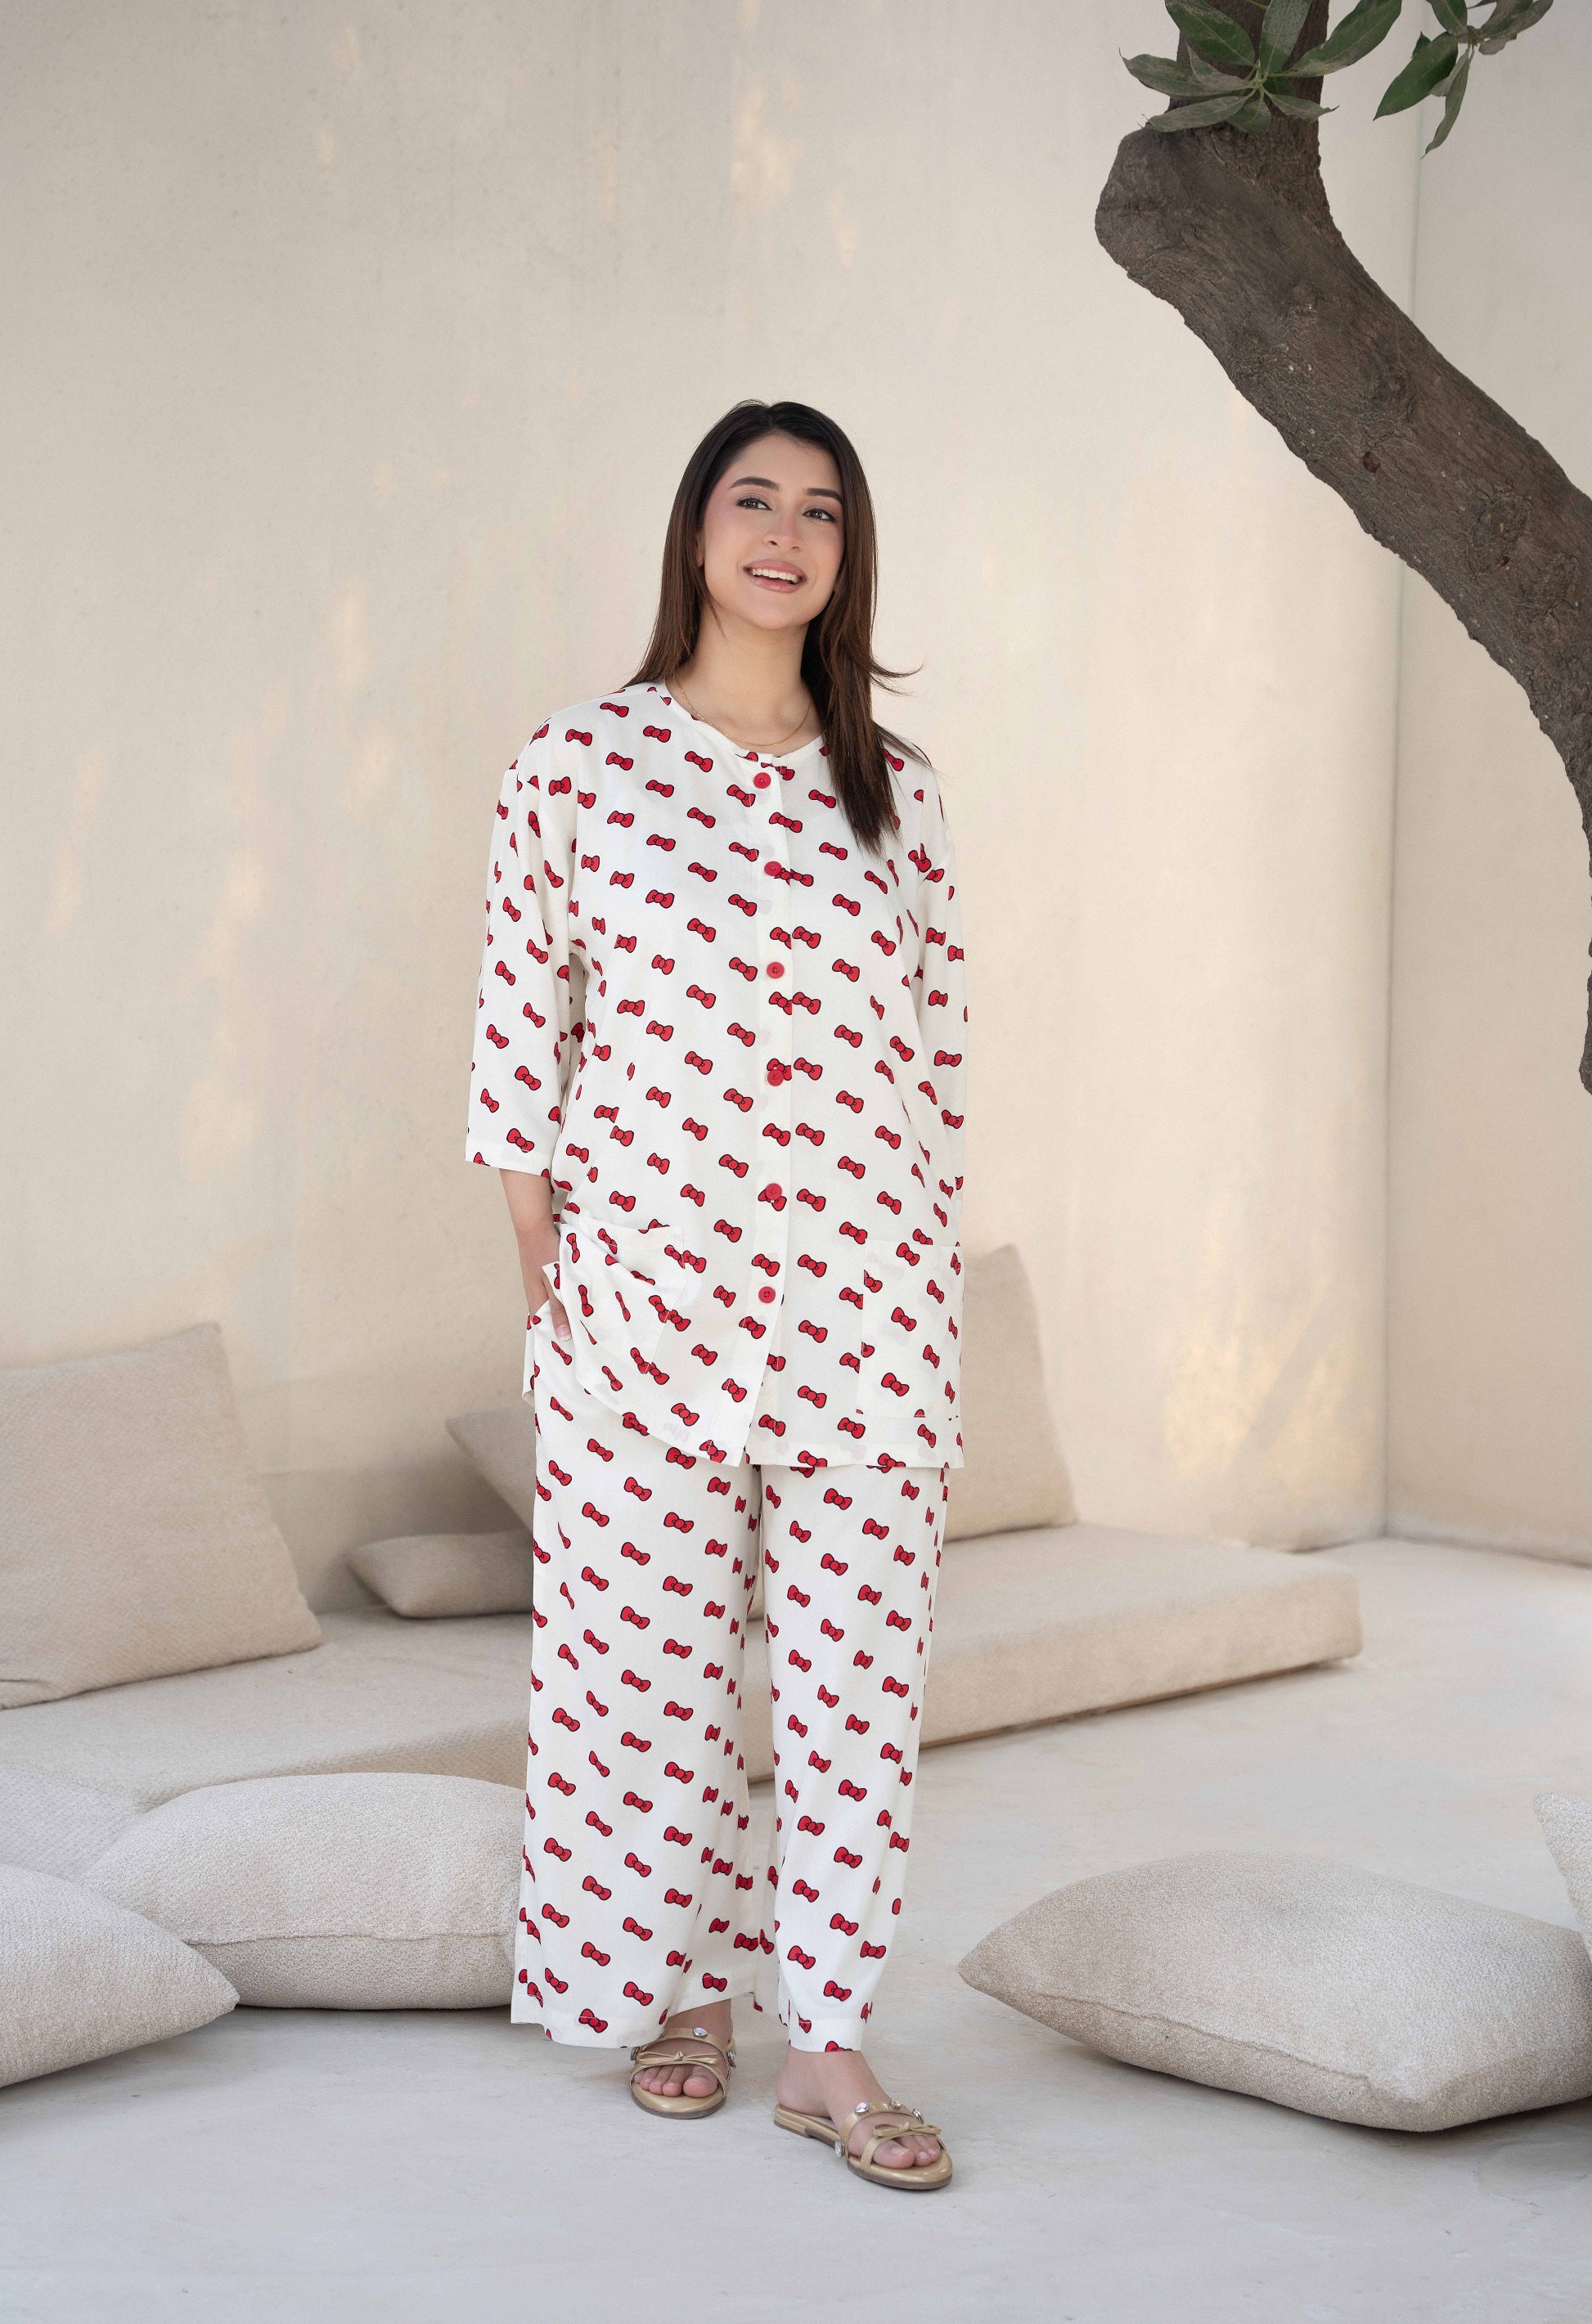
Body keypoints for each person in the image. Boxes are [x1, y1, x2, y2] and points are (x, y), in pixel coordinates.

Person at [465, 398, 965, 2191]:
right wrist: (559, 1290)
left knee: (854, 1691)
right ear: (696, 532)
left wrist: (925, 1287)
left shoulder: (892, 783)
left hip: (868, 1306)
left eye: (821, 510)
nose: (784, 534)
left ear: (848, 553)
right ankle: (675, 1990)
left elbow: (937, 1061)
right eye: (753, 500)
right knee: (640, 1674)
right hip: (642, 1308)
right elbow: (518, 1051)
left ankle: (828, 2044)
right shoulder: (578, 765)